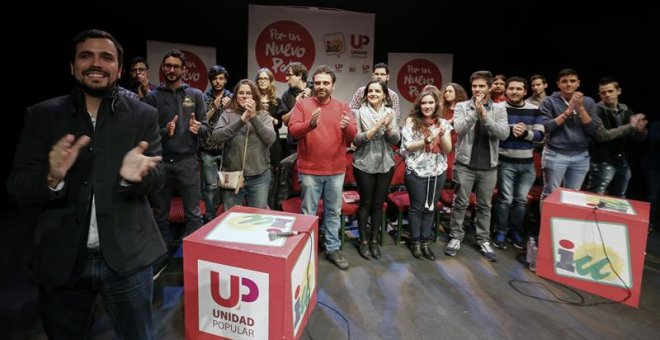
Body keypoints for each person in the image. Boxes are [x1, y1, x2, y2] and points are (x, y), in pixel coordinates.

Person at [7, 29, 165, 339]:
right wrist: (50, 178)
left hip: (128, 261)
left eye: (106, 57)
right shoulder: (42, 116)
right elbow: (18, 186)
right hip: (63, 263)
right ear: (72, 66)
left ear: (118, 69)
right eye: (86, 56)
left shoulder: (144, 115)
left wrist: (135, 177)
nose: (96, 63)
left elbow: (158, 178)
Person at [289, 65, 357, 270]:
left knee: (333, 212)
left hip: (336, 170)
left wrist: (349, 127)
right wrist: (310, 124)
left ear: (333, 86)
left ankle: (332, 248)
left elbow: (354, 138)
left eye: (326, 83)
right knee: (308, 212)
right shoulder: (302, 105)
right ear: (313, 84)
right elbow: (293, 132)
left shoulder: (343, 106)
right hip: (309, 170)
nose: (321, 86)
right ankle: (306, 248)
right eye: (317, 82)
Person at [144, 50, 208, 246]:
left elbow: (206, 128)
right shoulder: (152, 97)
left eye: (176, 66)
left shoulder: (195, 95)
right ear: (163, 68)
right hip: (161, 162)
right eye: (168, 66)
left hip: (188, 162)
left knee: (194, 214)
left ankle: (194, 254)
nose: (171, 70)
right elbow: (146, 133)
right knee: (160, 215)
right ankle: (161, 256)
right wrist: (164, 131)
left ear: (183, 70)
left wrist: (198, 128)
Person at [444, 70, 509, 261]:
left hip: (489, 166)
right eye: (475, 86)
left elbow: (503, 134)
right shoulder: (463, 107)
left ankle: (483, 239)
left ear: (489, 88)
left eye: (482, 86)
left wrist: (485, 116)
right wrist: (475, 113)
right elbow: (459, 128)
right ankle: (456, 237)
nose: (478, 90)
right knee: (460, 203)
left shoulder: (499, 109)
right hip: (465, 164)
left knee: (484, 205)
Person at [492, 77, 545, 250]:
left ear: (525, 91)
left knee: (521, 201)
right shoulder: (497, 108)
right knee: (505, 199)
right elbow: (491, 131)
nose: (515, 92)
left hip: (527, 164)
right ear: (506, 90)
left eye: (519, 89)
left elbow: (540, 136)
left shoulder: (535, 110)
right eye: (511, 88)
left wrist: (524, 134)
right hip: (504, 161)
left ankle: (516, 231)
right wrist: (510, 129)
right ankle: (501, 231)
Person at [401, 89, 452, 259]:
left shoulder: (443, 123)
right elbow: (408, 146)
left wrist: (442, 134)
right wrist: (427, 139)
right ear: (419, 105)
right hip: (416, 171)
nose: (427, 106)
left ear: (436, 104)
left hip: (437, 172)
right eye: (424, 103)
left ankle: (425, 242)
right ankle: (415, 242)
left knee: (430, 208)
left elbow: (447, 149)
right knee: (417, 208)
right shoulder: (411, 121)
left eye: (431, 102)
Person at [352, 80, 400, 260]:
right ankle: (363, 241)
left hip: (385, 163)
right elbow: (356, 140)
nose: (373, 93)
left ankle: (374, 240)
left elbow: (395, 140)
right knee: (365, 203)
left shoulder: (390, 112)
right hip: (364, 163)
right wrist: (377, 126)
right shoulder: (358, 112)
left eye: (377, 91)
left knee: (379, 204)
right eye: (370, 91)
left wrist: (387, 126)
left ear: (384, 95)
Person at [211, 79, 276, 209]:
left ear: (254, 96)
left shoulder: (263, 115)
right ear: (235, 96)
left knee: (258, 218)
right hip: (232, 176)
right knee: (232, 219)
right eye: (241, 93)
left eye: (248, 93)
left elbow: (270, 139)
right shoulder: (227, 114)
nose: (245, 96)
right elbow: (216, 138)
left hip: (259, 176)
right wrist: (240, 121)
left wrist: (253, 118)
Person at [539, 68, 600, 200]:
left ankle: (563, 221)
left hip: (581, 155)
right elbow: (546, 127)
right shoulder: (549, 102)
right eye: (564, 81)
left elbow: (593, 130)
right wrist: (569, 110)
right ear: (558, 84)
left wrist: (581, 108)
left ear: (578, 83)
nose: (568, 84)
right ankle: (546, 221)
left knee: (573, 195)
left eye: (572, 81)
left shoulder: (588, 102)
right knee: (550, 193)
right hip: (555, 154)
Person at [588, 77, 647, 197]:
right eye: (603, 92)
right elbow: (603, 136)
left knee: (620, 196)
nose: (607, 95)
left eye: (610, 91)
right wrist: (631, 127)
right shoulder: (596, 110)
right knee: (596, 195)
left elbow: (635, 138)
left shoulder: (626, 110)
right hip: (602, 160)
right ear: (599, 94)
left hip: (622, 159)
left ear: (618, 91)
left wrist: (641, 130)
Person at [199, 65, 232, 222]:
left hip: (228, 149)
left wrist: (230, 107)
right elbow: (200, 122)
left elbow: (240, 120)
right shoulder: (203, 98)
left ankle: (226, 218)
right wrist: (214, 108)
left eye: (221, 78)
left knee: (228, 187)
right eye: (214, 79)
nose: (218, 82)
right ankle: (210, 218)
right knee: (211, 187)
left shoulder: (232, 97)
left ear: (225, 80)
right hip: (208, 149)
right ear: (211, 80)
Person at [255, 68, 284, 208]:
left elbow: (279, 124)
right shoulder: (252, 100)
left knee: (272, 180)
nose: (262, 81)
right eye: (260, 78)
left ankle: (270, 208)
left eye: (265, 78)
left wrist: (270, 118)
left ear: (271, 81)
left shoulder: (277, 101)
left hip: (273, 143)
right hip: (256, 142)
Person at [278, 62, 311, 156]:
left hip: (313, 141)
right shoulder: (286, 95)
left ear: (299, 75)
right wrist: (297, 105)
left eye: (289, 75)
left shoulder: (315, 90)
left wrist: (311, 100)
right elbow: (285, 121)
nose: (286, 78)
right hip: (294, 145)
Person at [644, 120, 660, 232]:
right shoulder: (656, 125)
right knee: (652, 196)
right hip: (655, 165)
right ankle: (649, 223)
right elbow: (654, 139)